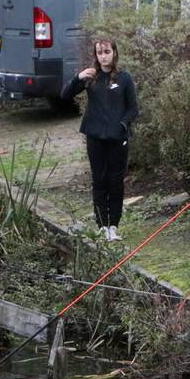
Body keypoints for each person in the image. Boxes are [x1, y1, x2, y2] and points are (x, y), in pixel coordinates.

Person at [61, 37, 139, 241]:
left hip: (117, 138)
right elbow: (64, 94)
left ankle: (114, 225)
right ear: (95, 55)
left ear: (114, 53)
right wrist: (78, 78)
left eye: (107, 52)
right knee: (99, 180)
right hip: (95, 136)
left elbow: (133, 108)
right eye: (99, 53)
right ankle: (101, 225)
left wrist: (122, 124)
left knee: (116, 182)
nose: (103, 56)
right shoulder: (90, 77)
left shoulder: (124, 78)